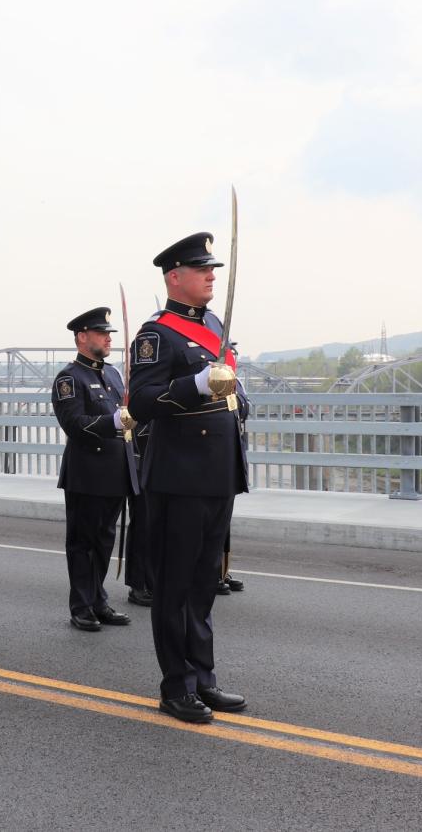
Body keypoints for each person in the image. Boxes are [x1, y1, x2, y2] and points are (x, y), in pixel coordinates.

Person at [127, 232, 249, 724]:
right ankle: (175, 686)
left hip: (218, 471)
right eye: (202, 270)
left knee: (204, 584)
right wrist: (197, 385)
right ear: (175, 278)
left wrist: (236, 393)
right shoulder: (157, 335)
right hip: (179, 475)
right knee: (175, 586)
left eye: (213, 269)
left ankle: (203, 677)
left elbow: (228, 389)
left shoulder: (214, 325)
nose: (212, 276)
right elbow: (141, 402)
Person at [52, 307, 138, 632]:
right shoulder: (69, 378)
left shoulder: (113, 374)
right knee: (82, 542)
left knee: (104, 541)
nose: (109, 337)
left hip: (115, 472)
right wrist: (112, 422)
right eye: (102, 333)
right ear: (82, 337)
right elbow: (74, 424)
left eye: (110, 333)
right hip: (87, 473)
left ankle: (98, 599)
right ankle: (81, 605)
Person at [124, 422, 155, 607]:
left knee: (160, 527)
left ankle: (154, 581)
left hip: (164, 458)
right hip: (142, 456)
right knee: (143, 524)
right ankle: (138, 584)